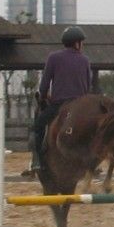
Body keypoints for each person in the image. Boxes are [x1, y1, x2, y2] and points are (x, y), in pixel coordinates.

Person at [31, 26, 91, 171]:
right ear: (77, 43)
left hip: (60, 106)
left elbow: (44, 85)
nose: (82, 45)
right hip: (80, 107)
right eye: (81, 42)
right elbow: (88, 85)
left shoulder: (53, 58)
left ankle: (37, 160)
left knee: (37, 127)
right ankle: (91, 161)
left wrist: (43, 97)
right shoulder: (85, 60)